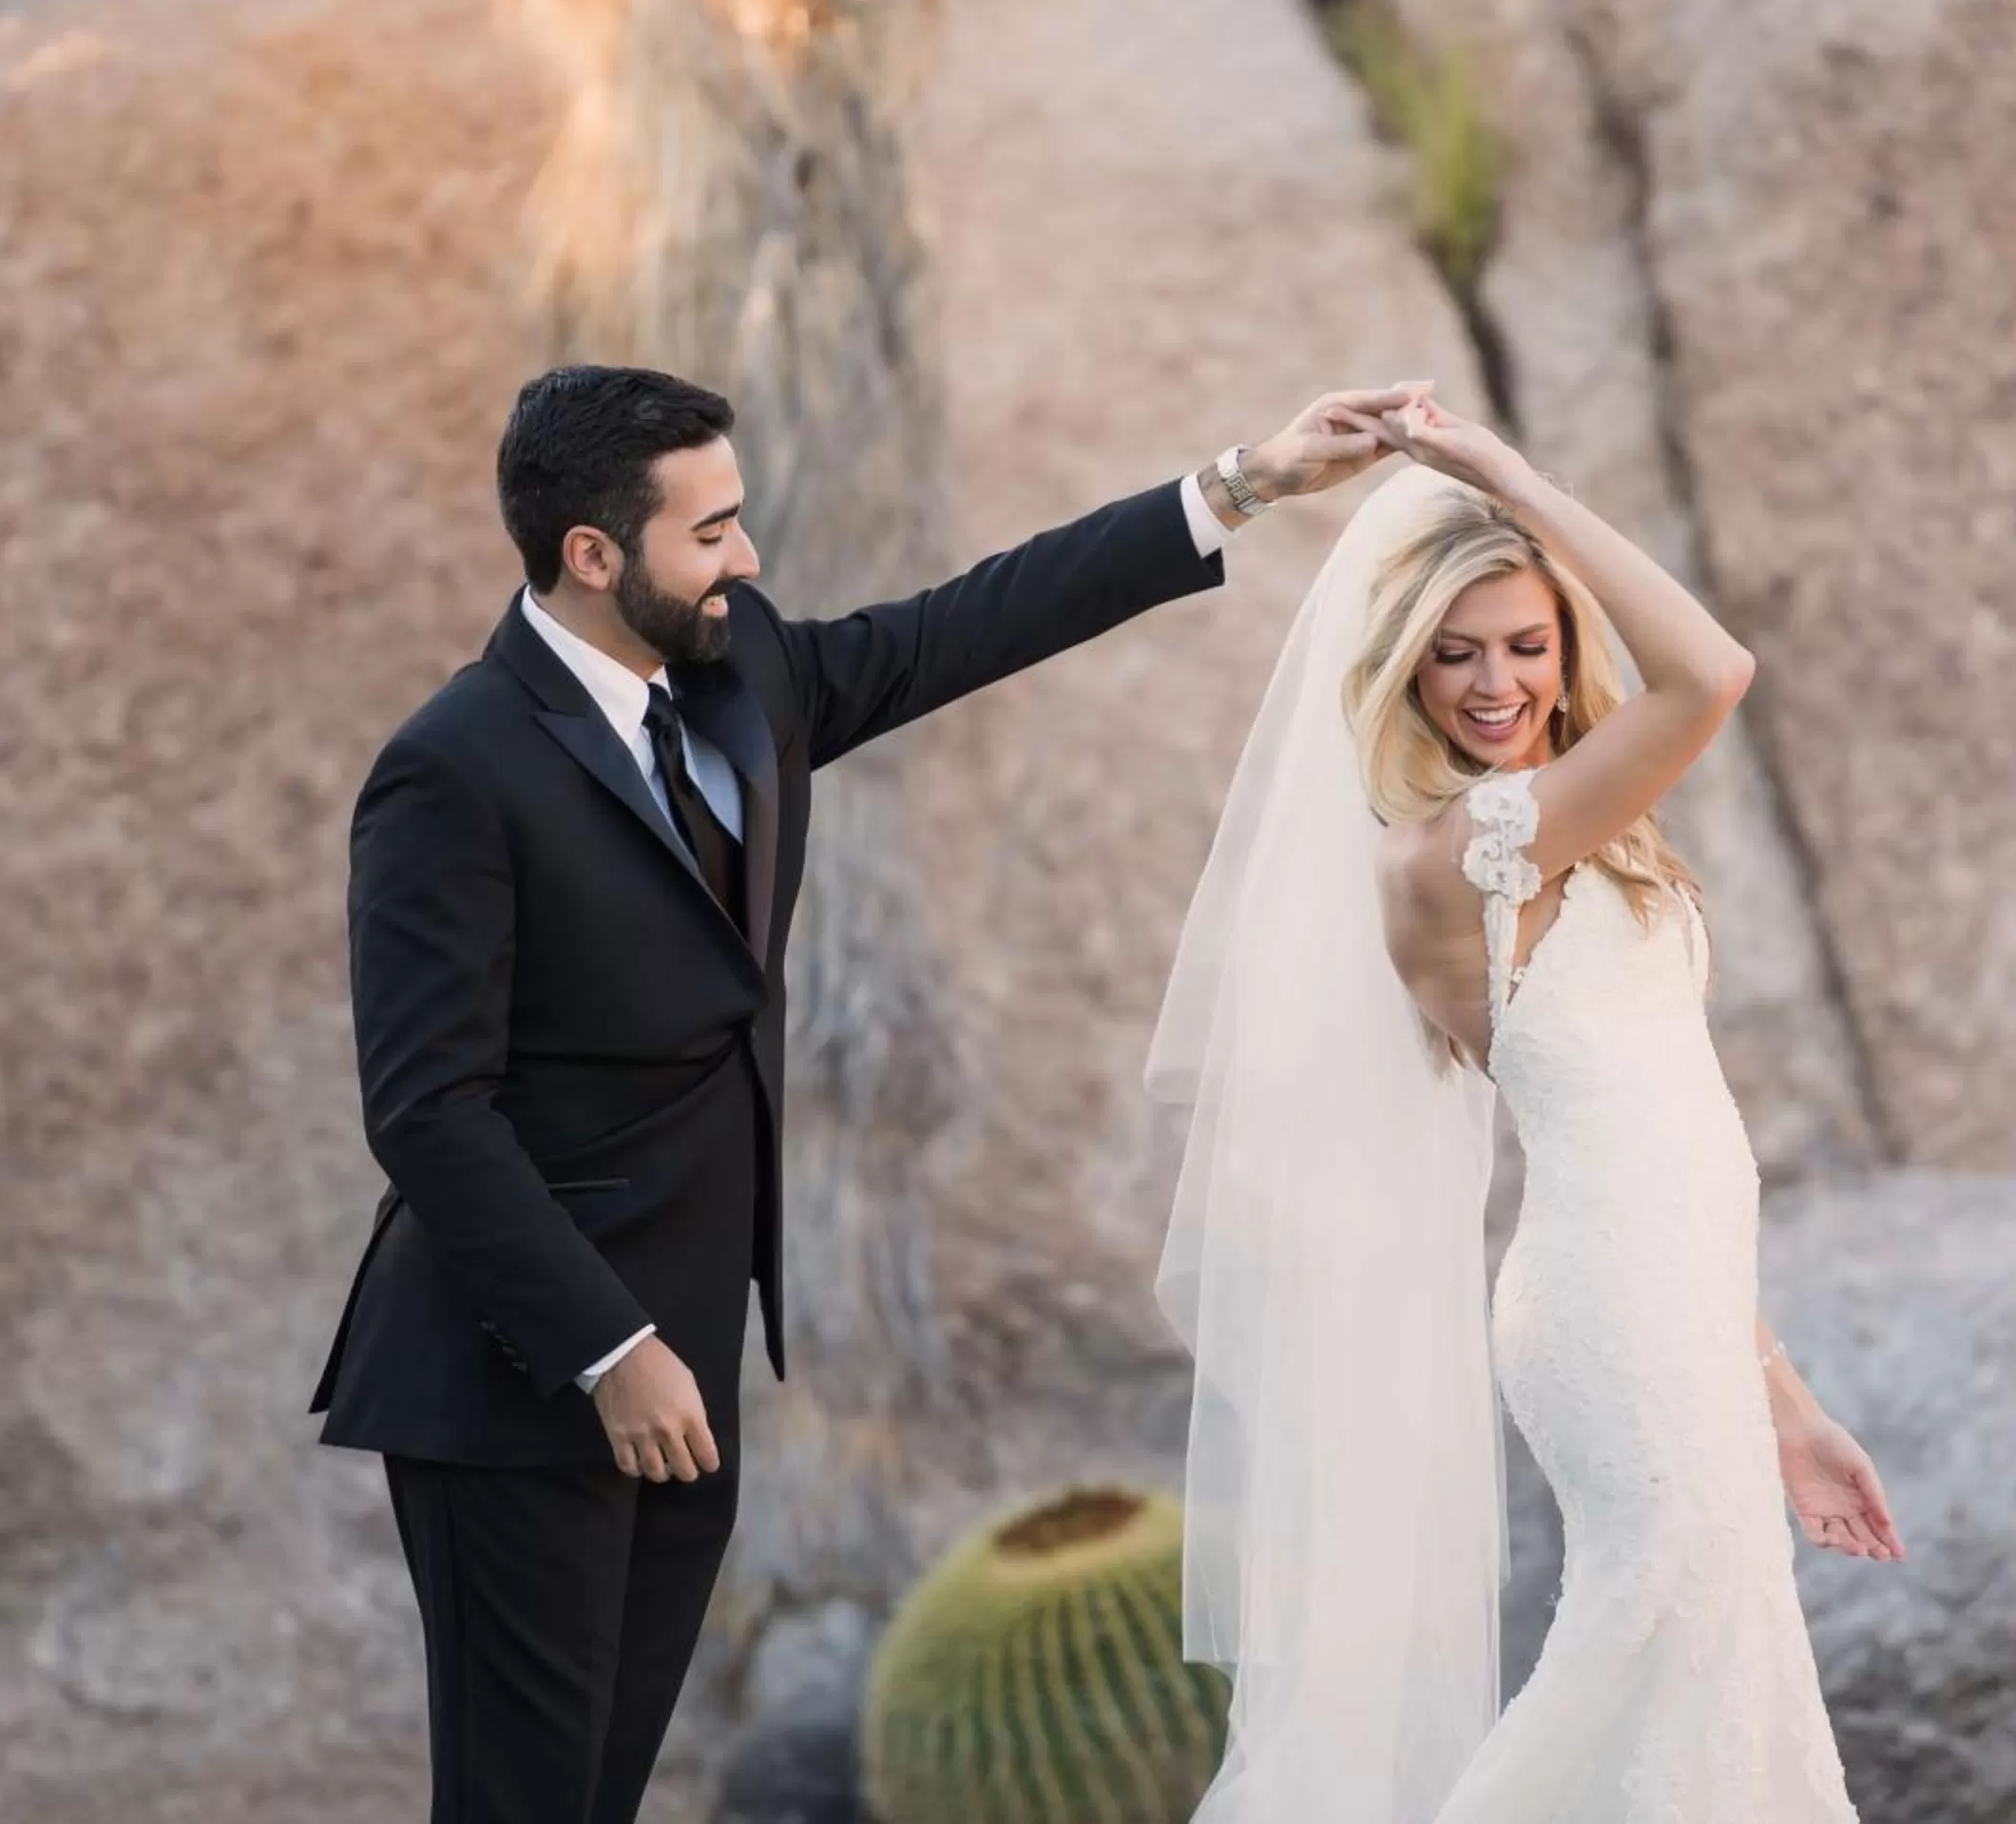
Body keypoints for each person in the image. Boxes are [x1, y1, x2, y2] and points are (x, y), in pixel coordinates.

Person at [309, 362, 1426, 1823]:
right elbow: (426, 1111)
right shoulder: (449, 771)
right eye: (710, 531)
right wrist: (607, 1347)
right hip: (517, 1379)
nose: (747, 555)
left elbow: (969, 622)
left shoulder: (744, 671)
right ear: (592, 554)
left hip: (688, 1361)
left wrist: (1243, 482)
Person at [1150, 394, 1901, 1822]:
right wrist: (1501, 474)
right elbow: (1714, 672)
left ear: (1566, 655)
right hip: (1600, 1312)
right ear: (1405, 669)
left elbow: (1671, 1156)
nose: (1493, 682)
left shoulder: (1588, 825)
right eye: (1454, 652)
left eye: (1525, 645)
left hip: (1683, 1299)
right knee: (1649, 1627)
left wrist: (1789, 1406)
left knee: (1716, 1644)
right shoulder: (1459, 853)